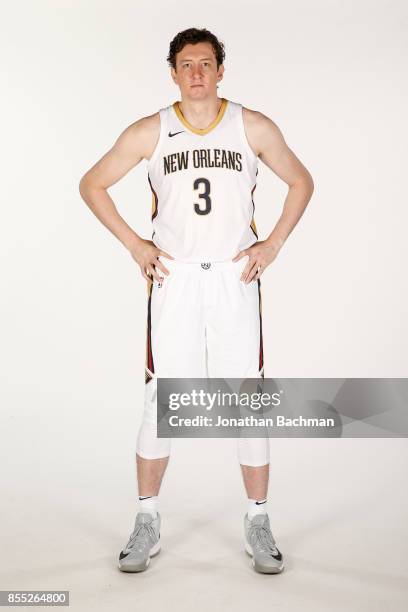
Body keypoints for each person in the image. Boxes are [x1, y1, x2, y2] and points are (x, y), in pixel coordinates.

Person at [79, 27, 314, 574]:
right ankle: (147, 520)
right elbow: (93, 183)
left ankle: (258, 521)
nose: (197, 74)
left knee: (246, 402)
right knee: (162, 402)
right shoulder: (151, 131)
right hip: (175, 279)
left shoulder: (250, 125)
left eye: (206, 64)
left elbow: (301, 181)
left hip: (234, 276)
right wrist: (136, 244)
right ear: (173, 72)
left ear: (221, 70)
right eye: (186, 65)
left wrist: (273, 243)